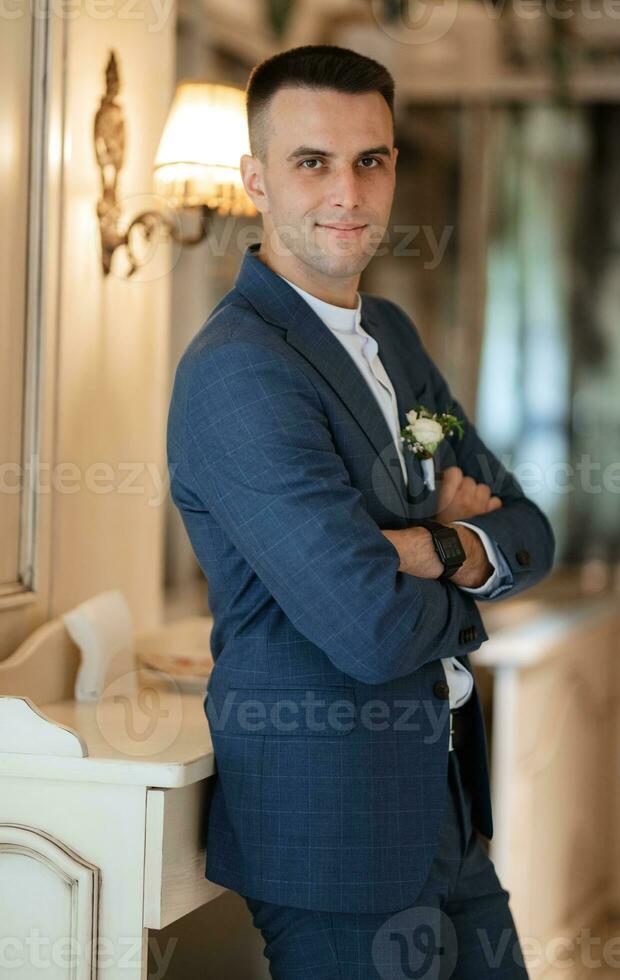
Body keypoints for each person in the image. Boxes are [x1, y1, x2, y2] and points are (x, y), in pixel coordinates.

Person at [167, 43, 555, 979]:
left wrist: (425, 545)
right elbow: (371, 628)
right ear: (256, 179)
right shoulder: (239, 371)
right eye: (312, 163)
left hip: (447, 810)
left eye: (369, 160)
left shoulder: (390, 332)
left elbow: (531, 530)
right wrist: (465, 559)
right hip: (335, 835)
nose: (348, 191)